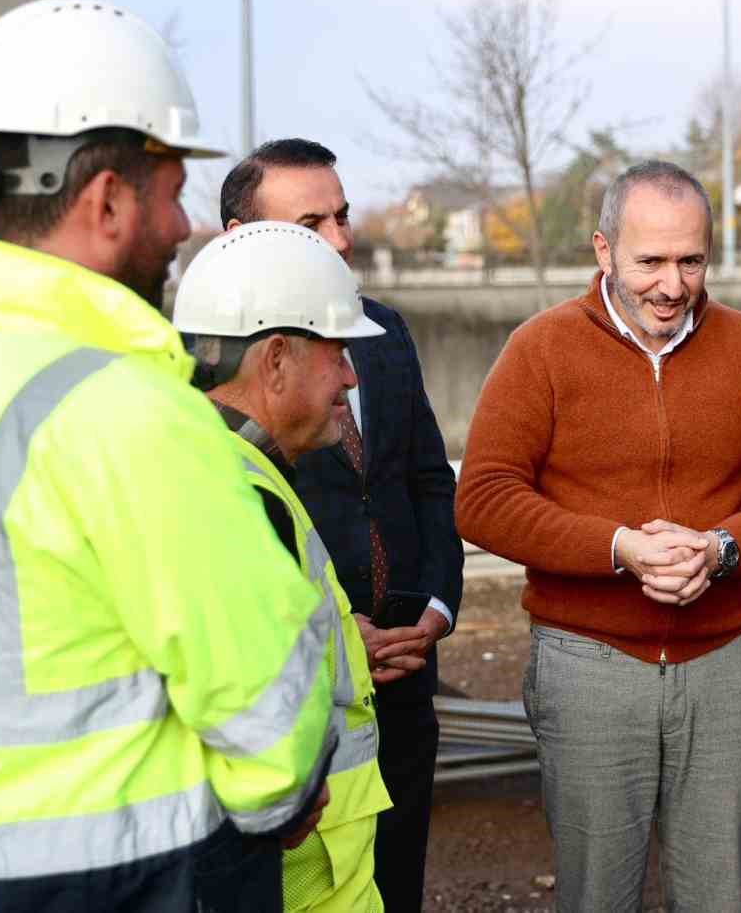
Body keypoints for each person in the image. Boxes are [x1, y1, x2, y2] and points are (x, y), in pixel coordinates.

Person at [0, 0, 336, 912]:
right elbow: (276, 741)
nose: (185, 223)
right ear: (107, 200)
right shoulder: (132, 418)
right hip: (105, 888)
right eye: (170, 191)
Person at [455, 159, 741, 911]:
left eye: (691, 260)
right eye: (649, 260)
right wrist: (618, 547)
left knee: (720, 895)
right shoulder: (541, 349)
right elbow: (484, 498)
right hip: (590, 666)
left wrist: (721, 549)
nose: (671, 283)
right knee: (597, 896)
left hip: (723, 668)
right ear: (603, 251)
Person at [221, 139, 463, 910]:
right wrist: (334, 639)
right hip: (309, 698)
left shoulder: (383, 331)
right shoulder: (214, 374)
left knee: (396, 881)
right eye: (312, 220)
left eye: (343, 215)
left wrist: (434, 611)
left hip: (403, 673)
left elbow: (428, 479)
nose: (341, 238)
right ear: (240, 240)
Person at [174, 221, 397, 912]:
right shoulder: (239, 495)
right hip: (303, 880)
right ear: (274, 361)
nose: (351, 376)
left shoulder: (205, 463)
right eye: (337, 351)